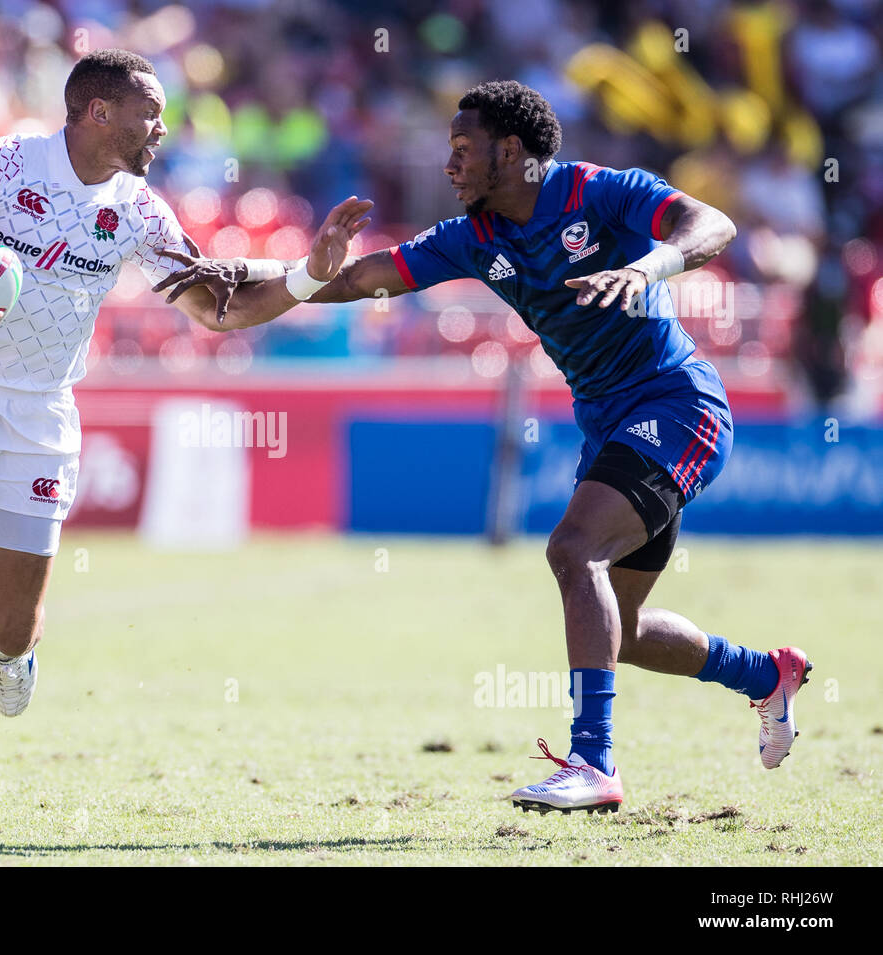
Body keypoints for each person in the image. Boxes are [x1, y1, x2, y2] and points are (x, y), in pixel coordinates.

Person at [158, 80, 812, 814]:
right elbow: (362, 278)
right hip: (609, 422)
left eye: (463, 150)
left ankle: (593, 763)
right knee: (619, 631)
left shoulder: (600, 192)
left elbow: (712, 223)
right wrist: (249, 270)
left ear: (511, 151)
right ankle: (764, 675)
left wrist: (646, 266)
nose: (449, 165)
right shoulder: (474, 237)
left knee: (573, 552)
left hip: (677, 405)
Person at [0, 49, 339, 835]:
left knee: (10, 625)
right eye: (151, 112)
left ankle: (12, 655)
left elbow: (220, 307)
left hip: (40, 419)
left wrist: (308, 278)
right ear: (98, 112)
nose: (163, 127)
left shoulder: (141, 210)